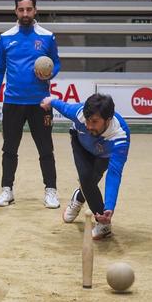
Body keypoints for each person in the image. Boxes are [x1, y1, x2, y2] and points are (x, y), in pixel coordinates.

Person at [0, 0, 61, 209]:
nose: (25, 13)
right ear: (16, 11)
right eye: (21, 9)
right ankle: (6, 190)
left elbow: (56, 63)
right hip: (12, 102)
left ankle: (51, 191)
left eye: (29, 9)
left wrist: (50, 73)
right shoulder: (6, 37)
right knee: (9, 149)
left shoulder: (47, 36)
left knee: (45, 148)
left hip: (41, 103)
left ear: (35, 10)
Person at [40, 93, 130, 239]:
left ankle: (79, 197)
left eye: (94, 121)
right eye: (87, 120)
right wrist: (50, 101)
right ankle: (103, 224)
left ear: (108, 119)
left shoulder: (120, 136)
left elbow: (114, 174)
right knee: (86, 178)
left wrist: (110, 206)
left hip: (104, 154)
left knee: (92, 181)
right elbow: (64, 107)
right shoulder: (79, 113)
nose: (88, 126)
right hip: (80, 144)